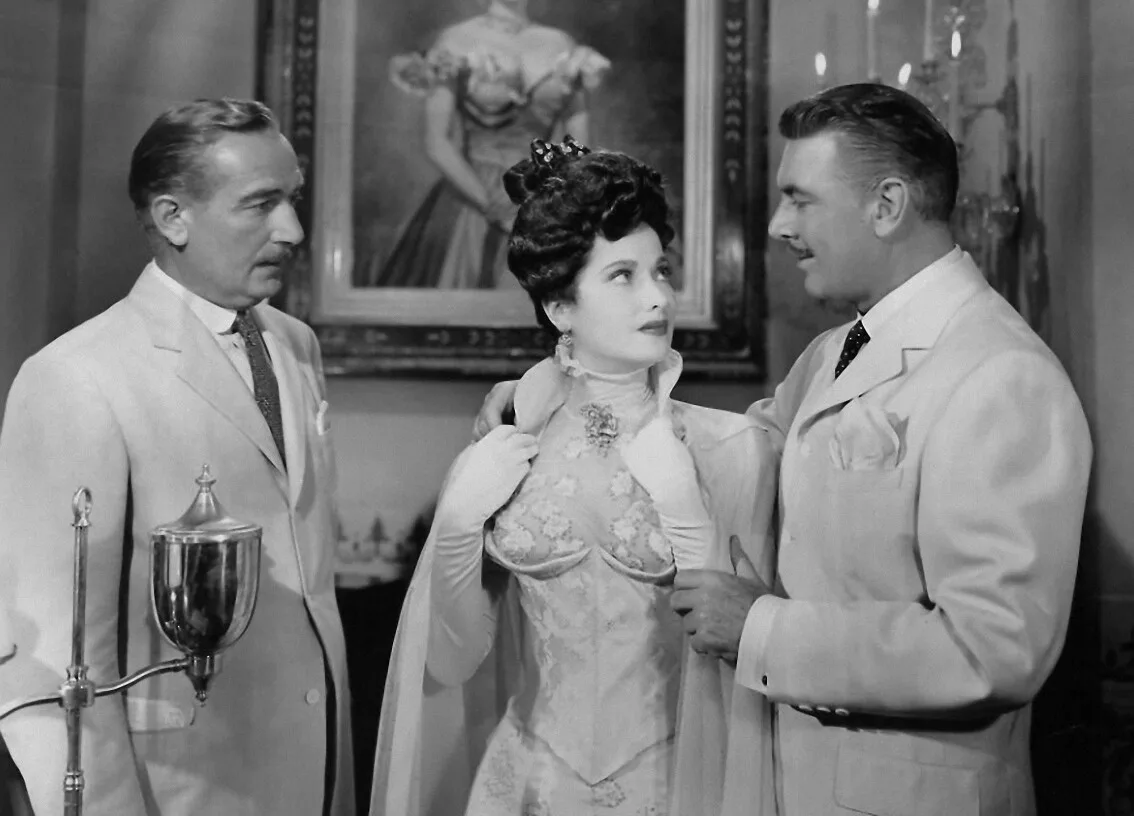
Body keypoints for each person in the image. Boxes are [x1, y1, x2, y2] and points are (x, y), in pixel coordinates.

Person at [476, 83, 1093, 815]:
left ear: (887, 205)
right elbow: (732, 450)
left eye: (800, 199)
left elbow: (995, 650)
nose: (778, 225)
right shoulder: (836, 351)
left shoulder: (1000, 374)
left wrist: (761, 627)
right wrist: (560, 390)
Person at [369, 138, 778, 816]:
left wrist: (685, 512)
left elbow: (739, 654)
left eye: (662, 270)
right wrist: (459, 523)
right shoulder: (508, 442)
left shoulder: (726, 448)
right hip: (525, 786)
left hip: (676, 786)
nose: (658, 296)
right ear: (561, 308)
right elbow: (452, 660)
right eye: (623, 276)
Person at [0, 98, 354, 815]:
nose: (292, 230)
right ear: (172, 218)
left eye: (292, 200)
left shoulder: (295, 344)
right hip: (179, 788)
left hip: (314, 773)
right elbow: (53, 671)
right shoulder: (77, 377)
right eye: (261, 204)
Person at [356, 0, 610, 289]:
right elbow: (436, 142)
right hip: (472, 199)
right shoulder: (456, 41)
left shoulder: (560, 44)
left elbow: (577, 145)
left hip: (538, 200)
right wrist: (494, 207)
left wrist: (546, 203)